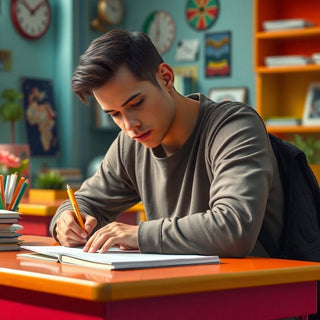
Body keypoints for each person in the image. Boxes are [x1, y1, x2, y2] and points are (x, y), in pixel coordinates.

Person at [49, 29, 284, 257]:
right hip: (176, 285)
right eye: (115, 114)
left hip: (252, 289)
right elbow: (86, 202)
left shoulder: (234, 126)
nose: (129, 126)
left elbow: (235, 228)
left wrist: (141, 235)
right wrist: (67, 220)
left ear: (166, 78)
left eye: (136, 103)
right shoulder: (131, 143)